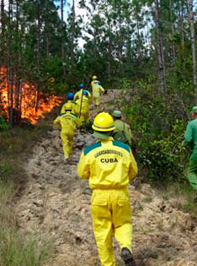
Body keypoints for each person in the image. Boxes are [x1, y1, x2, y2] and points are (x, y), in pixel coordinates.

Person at [77, 112, 138, 266]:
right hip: (120, 194)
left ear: (96, 132)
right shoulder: (124, 149)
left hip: (99, 196)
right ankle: (125, 246)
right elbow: (134, 172)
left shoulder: (89, 151)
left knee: (102, 233)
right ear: (112, 131)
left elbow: (82, 173)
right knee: (123, 224)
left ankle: (108, 264)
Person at [53, 93, 81, 162]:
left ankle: (66, 156)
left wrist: (60, 125)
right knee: (70, 142)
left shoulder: (63, 108)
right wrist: (77, 126)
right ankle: (68, 154)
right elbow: (79, 122)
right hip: (71, 130)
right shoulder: (74, 110)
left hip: (64, 130)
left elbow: (55, 122)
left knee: (65, 143)